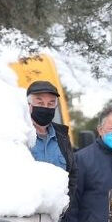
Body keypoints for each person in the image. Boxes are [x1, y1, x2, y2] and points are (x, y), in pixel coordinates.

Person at [26, 81, 77, 214]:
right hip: (26, 218)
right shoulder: (21, 135)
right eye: (40, 103)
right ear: (29, 105)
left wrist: (64, 207)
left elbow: (72, 175)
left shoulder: (63, 136)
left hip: (57, 218)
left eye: (51, 103)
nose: (45, 107)